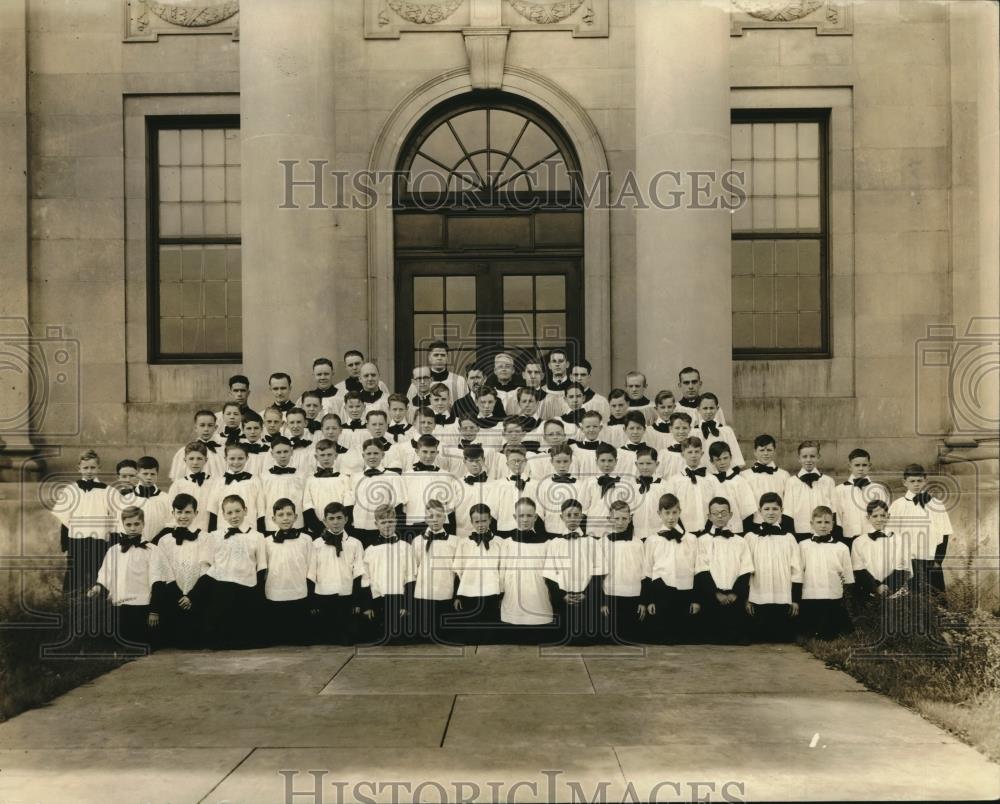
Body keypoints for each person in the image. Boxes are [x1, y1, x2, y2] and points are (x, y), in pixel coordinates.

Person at [201, 493, 267, 649]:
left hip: (247, 588)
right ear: (223, 515)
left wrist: (257, 592)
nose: (234, 516)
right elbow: (206, 564)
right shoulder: (215, 536)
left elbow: (262, 566)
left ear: (245, 510)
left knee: (246, 633)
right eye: (229, 513)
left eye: (238, 511)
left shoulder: (257, 536)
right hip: (221, 588)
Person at [87, 505, 157, 647]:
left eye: (137, 524)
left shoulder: (152, 550)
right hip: (119, 604)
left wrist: (154, 610)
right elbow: (105, 574)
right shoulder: (114, 551)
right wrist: (98, 587)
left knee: (140, 644)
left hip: (142, 605)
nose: (132, 528)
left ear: (143, 524)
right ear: (123, 525)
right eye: (128, 524)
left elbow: (156, 581)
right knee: (118, 643)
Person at [150, 493, 212, 648]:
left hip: (196, 595)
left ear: (196, 513)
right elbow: (164, 571)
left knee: (196, 641)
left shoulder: (205, 538)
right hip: (173, 595)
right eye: (179, 512)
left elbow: (206, 570)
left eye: (188, 512)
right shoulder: (164, 541)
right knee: (171, 641)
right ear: (173, 513)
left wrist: (191, 596)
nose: (183, 516)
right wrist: (178, 594)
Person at [542, 498, 605, 646]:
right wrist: (562, 596)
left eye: (576, 515)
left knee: (587, 637)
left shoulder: (592, 542)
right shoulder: (555, 544)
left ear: (582, 517)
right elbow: (550, 575)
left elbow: (598, 574)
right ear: (561, 517)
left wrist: (586, 594)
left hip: (586, 598)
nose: (572, 519)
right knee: (564, 637)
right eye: (568, 515)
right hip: (564, 599)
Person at [55, 449, 115, 596]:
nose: (89, 471)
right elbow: (64, 520)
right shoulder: (71, 490)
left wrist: (111, 543)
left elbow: (114, 520)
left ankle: (98, 612)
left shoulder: (108, 492)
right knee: (74, 577)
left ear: (99, 468)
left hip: (99, 542)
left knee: (98, 577)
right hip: (76, 541)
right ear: (79, 468)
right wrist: (65, 543)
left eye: (93, 467)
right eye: (86, 467)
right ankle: (71, 607)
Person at [744, 492, 802, 643]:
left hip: (782, 596)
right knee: (758, 639)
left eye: (775, 509)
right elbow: (745, 569)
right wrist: (747, 598)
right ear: (760, 511)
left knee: (783, 639)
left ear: (782, 510)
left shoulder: (789, 538)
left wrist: (795, 599)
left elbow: (796, 570)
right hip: (758, 595)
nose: (771, 513)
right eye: (767, 509)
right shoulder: (751, 537)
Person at [642, 493, 700, 643]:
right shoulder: (652, 540)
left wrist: (695, 599)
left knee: (685, 639)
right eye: (666, 513)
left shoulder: (691, 539)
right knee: (661, 638)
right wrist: (650, 600)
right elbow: (647, 571)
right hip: (661, 592)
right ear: (659, 514)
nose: (671, 517)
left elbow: (696, 569)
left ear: (680, 512)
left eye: (674, 512)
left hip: (685, 591)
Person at [888, 463, 953, 599]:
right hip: (908, 560)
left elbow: (945, 532)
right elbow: (891, 535)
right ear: (904, 482)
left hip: (930, 559)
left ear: (925, 480)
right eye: (912, 481)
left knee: (935, 596)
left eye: (919, 481)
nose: (916, 484)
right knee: (912, 597)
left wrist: (938, 560)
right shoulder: (897, 505)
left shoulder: (936, 504)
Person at [694, 497, 753, 644]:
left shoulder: (740, 541)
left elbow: (745, 570)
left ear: (731, 515)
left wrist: (735, 593)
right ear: (709, 516)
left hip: (734, 597)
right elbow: (701, 570)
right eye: (715, 513)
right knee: (710, 637)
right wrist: (716, 593)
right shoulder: (702, 541)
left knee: (739, 638)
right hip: (713, 597)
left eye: (723, 513)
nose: (720, 516)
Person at [308, 502, 366, 645]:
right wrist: (313, 601)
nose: (335, 522)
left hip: (345, 595)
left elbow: (359, 573)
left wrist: (356, 600)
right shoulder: (316, 544)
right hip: (324, 595)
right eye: (331, 518)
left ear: (346, 519)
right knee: (324, 640)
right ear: (324, 520)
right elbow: (311, 574)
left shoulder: (355, 543)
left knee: (348, 639)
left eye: (339, 518)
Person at [497, 498, 554, 643]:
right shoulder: (507, 542)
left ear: (535, 517)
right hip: (514, 592)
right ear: (515, 517)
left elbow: (550, 572)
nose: (525, 519)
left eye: (529, 516)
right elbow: (502, 570)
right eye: (521, 516)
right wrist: (501, 590)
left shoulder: (546, 543)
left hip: (537, 591)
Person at [360, 504, 417, 645]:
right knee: (380, 640)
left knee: (401, 640)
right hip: (378, 600)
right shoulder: (370, 550)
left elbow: (411, 577)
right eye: (383, 522)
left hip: (399, 599)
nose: (387, 525)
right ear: (376, 524)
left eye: (390, 521)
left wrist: (407, 605)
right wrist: (367, 606)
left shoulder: (406, 547)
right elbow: (366, 580)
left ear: (396, 522)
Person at [798, 506, 854, 640]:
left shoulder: (841, 547)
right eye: (819, 522)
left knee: (830, 632)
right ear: (812, 524)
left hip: (832, 595)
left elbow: (847, 575)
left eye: (827, 522)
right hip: (810, 594)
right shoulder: (803, 546)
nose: (823, 526)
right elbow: (799, 571)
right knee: (810, 630)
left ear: (833, 525)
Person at [451, 503, 505, 644]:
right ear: (471, 522)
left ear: (490, 520)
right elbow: (458, 570)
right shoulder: (464, 544)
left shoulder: (499, 542)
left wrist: (502, 595)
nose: (480, 524)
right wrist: (458, 596)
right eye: (477, 521)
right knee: (471, 635)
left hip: (492, 591)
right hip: (470, 591)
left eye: (484, 521)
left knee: (491, 637)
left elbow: (503, 570)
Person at [263, 498, 312, 645]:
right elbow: (265, 569)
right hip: (275, 593)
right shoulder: (266, 542)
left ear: (296, 517)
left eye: (289, 514)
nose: (285, 518)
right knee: (278, 639)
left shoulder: (306, 539)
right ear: (273, 518)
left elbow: (310, 567)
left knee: (299, 639)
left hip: (299, 592)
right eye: (281, 515)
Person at [411, 499, 459, 643]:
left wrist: (456, 594)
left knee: (443, 635)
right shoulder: (417, 541)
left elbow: (458, 572)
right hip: (423, 593)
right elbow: (414, 569)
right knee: (425, 635)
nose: (435, 520)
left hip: (445, 592)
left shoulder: (455, 541)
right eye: (431, 516)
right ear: (426, 518)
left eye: (439, 516)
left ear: (445, 517)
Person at [600, 500, 645, 644]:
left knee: (631, 639)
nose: (620, 522)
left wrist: (642, 601)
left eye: (624, 518)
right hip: (611, 595)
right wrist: (603, 602)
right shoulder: (602, 542)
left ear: (630, 518)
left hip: (633, 596)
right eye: (616, 518)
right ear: (609, 519)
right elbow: (598, 575)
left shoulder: (638, 543)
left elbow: (643, 573)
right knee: (610, 640)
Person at [850, 500, 912, 606]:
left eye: (882, 515)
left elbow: (903, 567)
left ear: (888, 516)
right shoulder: (859, 542)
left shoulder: (899, 540)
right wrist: (876, 587)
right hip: (869, 591)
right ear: (868, 518)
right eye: (875, 516)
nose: (879, 519)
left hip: (894, 591)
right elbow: (858, 569)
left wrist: (888, 586)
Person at [833, 448, 891, 546]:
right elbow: (837, 517)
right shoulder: (839, 490)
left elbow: (885, 514)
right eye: (857, 465)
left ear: (869, 466)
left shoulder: (878, 489)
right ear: (849, 466)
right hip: (849, 538)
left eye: (864, 465)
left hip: (873, 537)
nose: (861, 468)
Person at [783, 441, 838, 541]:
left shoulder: (828, 481)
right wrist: (790, 537)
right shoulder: (791, 482)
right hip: (800, 532)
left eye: (812, 456)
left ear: (818, 457)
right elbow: (788, 512)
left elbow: (833, 509)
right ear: (799, 459)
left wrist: (833, 533)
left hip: (824, 532)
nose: (808, 460)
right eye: (804, 457)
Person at [206, 443, 264, 533]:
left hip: (249, 530)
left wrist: (261, 535)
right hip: (224, 531)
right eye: (232, 459)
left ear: (247, 458)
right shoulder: (218, 482)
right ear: (225, 459)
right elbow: (213, 511)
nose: (236, 462)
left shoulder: (254, 481)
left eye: (240, 458)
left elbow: (261, 511)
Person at [301, 439, 354, 536]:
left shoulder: (344, 479)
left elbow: (348, 505)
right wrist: (320, 529)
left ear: (336, 456)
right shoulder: (310, 480)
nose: (326, 458)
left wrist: (341, 526)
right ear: (316, 457)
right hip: (318, 530)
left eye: (329, 455)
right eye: (322, 455)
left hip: (340, 527)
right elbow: (307, 506)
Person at [260, 436, 305, 532]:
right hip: (272, 525)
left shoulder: (301, 475)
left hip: (296, 524)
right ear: (272, 454)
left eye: (286, 451)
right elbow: (262, 502)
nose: (283, 455)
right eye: (278, 452)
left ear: (292, 451)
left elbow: (304, 500)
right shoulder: (264, 476)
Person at [167, 442, 215, 532]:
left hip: (206, 531)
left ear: (206, 460)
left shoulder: (214, 483)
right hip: (183, 531)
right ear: (185, 460)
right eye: (191, 459)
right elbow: (171, 511)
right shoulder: (178, 485)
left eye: (199, 459)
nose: (195, 462)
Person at [168, 410, 225, 481]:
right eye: (202, 425)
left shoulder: (222, 451)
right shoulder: (184, 452)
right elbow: (178, 480)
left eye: (210, 425)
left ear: (215, 428)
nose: (206, 429)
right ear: (195, 428)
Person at [695, 393, 744, 468]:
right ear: (698, 409)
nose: (708, 411)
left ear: (717, 409)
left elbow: (736, 456)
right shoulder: (694, 432)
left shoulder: (726, 431)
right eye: (705, 408)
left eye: (711, 408)